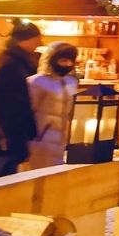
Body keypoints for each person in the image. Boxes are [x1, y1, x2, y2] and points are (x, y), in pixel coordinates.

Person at [0, 22, 42, 181]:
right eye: (37, 39)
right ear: (27, 39)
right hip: (1, 138)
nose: (39, 43)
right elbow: (11, 106)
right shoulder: (12, 66)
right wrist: (15, 137)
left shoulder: (7, 63)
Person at [24, 42, 80, 170]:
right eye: (63, 60)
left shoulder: (70, 81)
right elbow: (27, 112)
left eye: (70, 61)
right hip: (40, 139)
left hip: (62, 139)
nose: (67, 64)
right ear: (52, 60)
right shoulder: (37, 82)